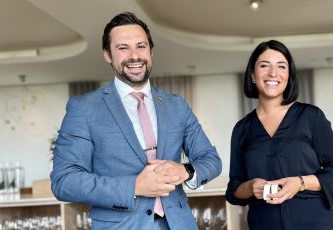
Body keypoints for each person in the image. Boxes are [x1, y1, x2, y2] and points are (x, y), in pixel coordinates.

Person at [50, 12, 222, 230]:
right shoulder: (83, 109)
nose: (134, 56)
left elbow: (211, 159)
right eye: (123, 48)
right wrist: (134, 186)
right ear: (107, 55)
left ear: (150, 51)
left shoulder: (176, 105)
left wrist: (185, 170)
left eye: (141, 46)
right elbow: (64, 181)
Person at [225, 40, 333, 230]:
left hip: (315, 223)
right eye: (264, 65)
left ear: (288, 75)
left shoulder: (311, 116)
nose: (273, 73)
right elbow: (234, 189)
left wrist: (300, 182)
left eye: (281, 66)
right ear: (252, 74)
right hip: (264, 224)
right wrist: (250, 187)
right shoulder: (242, 129)